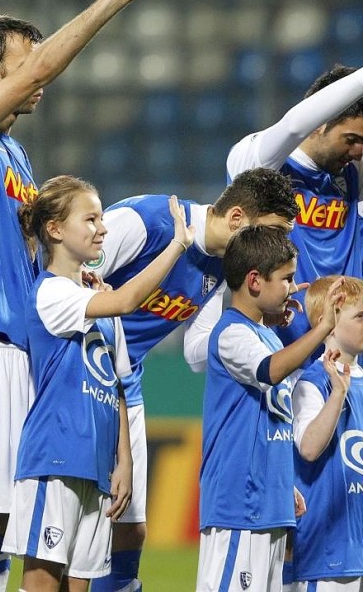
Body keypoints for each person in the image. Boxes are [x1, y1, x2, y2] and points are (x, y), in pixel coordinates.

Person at [0, 0, 144, 588]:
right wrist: (112, 1)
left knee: (7, 522)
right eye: (25, 60)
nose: (39, 70)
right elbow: (46, 68)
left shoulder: (16, 154)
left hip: (21, 351)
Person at [89, 167, 298, 591]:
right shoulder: (147, 222)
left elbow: (198, 351)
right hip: (80, 377)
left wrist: (260, 324)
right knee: (78, 533)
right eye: (271, 233)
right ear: (237, 218)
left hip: (126, 384)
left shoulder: (224, 270)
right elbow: (68, 279)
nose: (277, 249)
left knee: (130, 531)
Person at [2, 175, 194, 591]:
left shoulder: (97, 303)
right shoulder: (51, 293)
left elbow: (118, 385)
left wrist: (122, 461)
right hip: (54, 459)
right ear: (55, 229)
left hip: (96, 466)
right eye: (90, 219)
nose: (102, 228)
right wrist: (177, 245)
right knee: (41, 585)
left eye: (102, 218)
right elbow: (126, 300)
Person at [196, 225, 344, 592]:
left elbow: (271, 419)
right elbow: (270, 371)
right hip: (238, 505)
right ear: (254, 281)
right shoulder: (231, 333)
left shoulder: (265, 334)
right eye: (287, 278)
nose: (293, 287)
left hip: (268, 503)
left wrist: (281, 482)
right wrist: (322, 327)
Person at [227, 65, 363, 356]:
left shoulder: (348, 177)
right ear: (319, 122)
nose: (358, 152)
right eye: (351, 139)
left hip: (342, 351)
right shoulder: (262, 163)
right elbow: (292, 127)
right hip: (282, 346)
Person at [290, 275, 363, 589]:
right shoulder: (312, 382)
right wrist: (337, 394)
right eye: (360, 316)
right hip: (329, 551)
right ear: (329, 322)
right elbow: (308, 448)